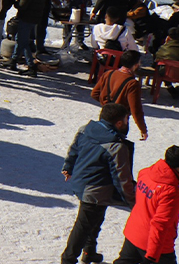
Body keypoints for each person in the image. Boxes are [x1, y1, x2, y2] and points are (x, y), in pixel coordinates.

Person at [61, 103, 136, 264]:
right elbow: (122, 179)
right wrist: (133, 203)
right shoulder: (116, 146)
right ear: (119, 123)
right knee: (83, 226)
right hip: (96, 191)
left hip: (82, 183)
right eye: (126, 120)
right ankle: (68, 260)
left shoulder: (85, 130)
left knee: (94, 220)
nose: (127, 123)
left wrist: (68, 167)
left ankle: (89, 252)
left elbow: (73, 150)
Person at [110, 145, 179, 264]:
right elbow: (160, 224)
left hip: (134, 232)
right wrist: (151, 256)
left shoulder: (146, 173)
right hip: (156, 245)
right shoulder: (170, 192)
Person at [91, 50, 148, 141]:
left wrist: (107, 104)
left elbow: (94, 94)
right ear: (135, 65)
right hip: (120, 120)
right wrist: (143, 129)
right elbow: (136, 109)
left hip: (105, 114)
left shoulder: (108, 74)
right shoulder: (132, 83)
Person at [13, 0, 47, 77]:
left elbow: (23, 4)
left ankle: (31, 66)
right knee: (20, 39)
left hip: (26, 16)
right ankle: (13, 60)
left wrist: (16, 2)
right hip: (36, 16)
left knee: (23, 42)